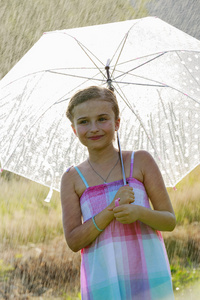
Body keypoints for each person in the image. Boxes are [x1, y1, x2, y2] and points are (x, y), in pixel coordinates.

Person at [60, 86, 176, 300]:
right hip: (104, 281)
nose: (94, 128)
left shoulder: (140, 162)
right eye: (84, 121)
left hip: (148, 274)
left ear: (117, 123)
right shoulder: (72, 178)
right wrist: (110, 210)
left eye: (102, 118)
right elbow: (74, 241)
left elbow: (169, 221)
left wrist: (139, 213)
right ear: (75, 129)